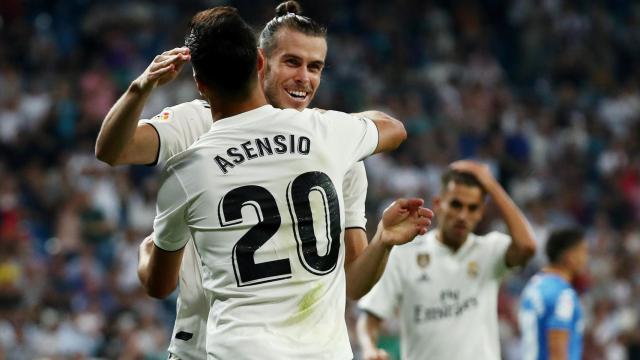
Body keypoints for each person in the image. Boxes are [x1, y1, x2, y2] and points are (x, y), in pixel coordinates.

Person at [95, 1, 402, 358]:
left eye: (315, 67)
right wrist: (140, 87)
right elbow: (113, 151)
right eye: (292, 62)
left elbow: (354, 281)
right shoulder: (200, 121)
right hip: (204, 345)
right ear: (260, 62)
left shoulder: (336, 149)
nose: (304, 77)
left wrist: (382, 242)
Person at [356, 160, 537, 360]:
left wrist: (491, 185)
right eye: (456, 204)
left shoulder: (490, 250)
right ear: (438, 204)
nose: (462, 215)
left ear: (480, 213)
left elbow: (527, 247)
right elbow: (370, 318)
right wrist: (369, 348)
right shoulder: (405, 255)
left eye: (472, 208)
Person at [518, 228, 587, 360]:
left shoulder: (533, 286)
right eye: (583, 251)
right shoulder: (563, 295)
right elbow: (557, 352)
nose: (586, 258)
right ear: (570, 256)